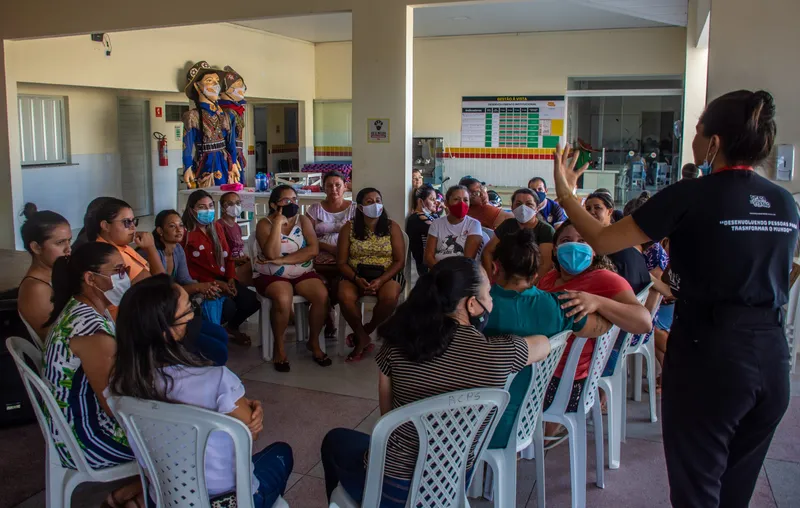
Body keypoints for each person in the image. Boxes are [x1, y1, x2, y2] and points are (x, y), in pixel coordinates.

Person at [549, 90, 799, 507]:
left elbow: (603, 237)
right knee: (734, 494)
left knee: (697, 491)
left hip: (711, 357)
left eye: (698, 131)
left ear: (714, 143)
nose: (694, 138)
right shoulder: (783, 202)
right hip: (773, 360)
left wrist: (565, 194)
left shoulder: (691, 194)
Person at [321, 256, 551, 507]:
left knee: (334, 441)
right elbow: (544, 344)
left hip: (390, 490)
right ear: (472, 304)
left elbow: (387, 419)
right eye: (489, 293)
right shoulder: (498, 353)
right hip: (449, 487)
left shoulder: (394, 346)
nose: (492, 300)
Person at [107, 275, 293, 508]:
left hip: (166, 497)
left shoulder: (121, 382)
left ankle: (138, 496)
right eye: (189, 310)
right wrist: (255, 414)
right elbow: (250, 435)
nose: (195, 316)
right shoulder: (215, 379)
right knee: (281, 453)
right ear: (167, 332)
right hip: (228, 500)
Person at [484, 229, 612, 449]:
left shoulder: (477, 308)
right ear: (535, 275)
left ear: (495, 267)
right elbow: (599, 327)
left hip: (481, 423)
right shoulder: (558, 306)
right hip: (533, 412)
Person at [42, 242, 143, 506]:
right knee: (188, 438)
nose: (125, 277)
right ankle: (134, 498)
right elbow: (114, 404)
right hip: (89, 438)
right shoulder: (90, 330)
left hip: (76, 426)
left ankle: (130, 495)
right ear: (90, 278)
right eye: (118, 270)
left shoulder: (82, 309)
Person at [537, 220, 651, 439]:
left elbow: (643, 321)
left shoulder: (603, 279)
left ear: (595, 249)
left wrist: (598, 302)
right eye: (566, 241)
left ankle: (535, 440)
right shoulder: (550, 278)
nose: (574, 246)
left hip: (565, 380)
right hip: (546, 367)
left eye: (583, 241)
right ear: (554, 248)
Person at [254, 185, 331, 371]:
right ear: (274, 204)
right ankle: (279, 348)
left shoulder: (302, 220)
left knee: (321, 295)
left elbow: (313, 249)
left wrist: (283, 260)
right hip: (271, 273)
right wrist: (278, 224)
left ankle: (313, 341)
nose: (292, 204)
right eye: (286, 200)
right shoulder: (264, 224)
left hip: (301, 271)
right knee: (283, 297)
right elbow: (271, 253)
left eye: (295, 200)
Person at [182, 190, 260, 346]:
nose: (208, 210)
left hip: (224, 278)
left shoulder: (216, 228)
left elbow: (228, 256)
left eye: (210, 206)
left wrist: (231, 278)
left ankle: (232, 327)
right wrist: (217, 284)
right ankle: (213, 334)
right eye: (202, 207)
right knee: (227, 307)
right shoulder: (186, 234)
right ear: (191, 210)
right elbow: (187, 269)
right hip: (203, 283)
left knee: (252, 301)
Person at [337, 187, 406, 362]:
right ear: (360, 207)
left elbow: (399, 261)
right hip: (355, 274)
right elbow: (342, 262)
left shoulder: (392, 227)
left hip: (386, 274)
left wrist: (381, 280)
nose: (375, 205)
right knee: (344, 295)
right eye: (369, 202)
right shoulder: (349, 228)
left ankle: (365, 331)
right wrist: (356, 279)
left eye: (378, 200)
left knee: (390, 297)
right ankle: (363, 337)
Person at [153, 209, 230, 366]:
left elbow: (185, 280)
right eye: (172, 226)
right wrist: (199, 287)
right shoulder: (151, 253)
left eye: (181, 225)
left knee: (221, 334)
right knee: (218, 351)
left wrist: (206, 287)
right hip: (162, 317)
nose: (179, 230)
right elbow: (163, 290)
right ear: (160, 231)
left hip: (177, 310)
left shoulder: (177, 250)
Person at [306, 171, 357, 338]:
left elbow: (359, 236)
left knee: (338, 283)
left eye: (338, 185)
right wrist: (327, 247)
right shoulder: (314, 209)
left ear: (345, 187)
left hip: (346, 257)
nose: (333, 189)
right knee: (320, 283)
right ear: (324, 187)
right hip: (320, 256)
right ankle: (327, 316)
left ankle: (331, 314)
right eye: (329, 185)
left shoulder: (354, 208)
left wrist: (341, 249)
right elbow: (307, 236)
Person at [18, 203, 72, 340]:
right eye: (60, 243)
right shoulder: (36, 289)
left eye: (69, 241)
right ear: (36, 247)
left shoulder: (55, 275)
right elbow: (56, 339)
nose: (68, 249)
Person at [584, 190, 650, 294]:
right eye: (588, 209)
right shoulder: (590, 239)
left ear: (610, 211)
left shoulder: (617, 240)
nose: (591, 212)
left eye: (597, 208)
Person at [88, 198, 165, 285]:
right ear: (106, 226)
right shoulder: (111, 255)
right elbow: (162, 285)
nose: (133, 227)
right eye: (126, 222)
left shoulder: (121, 245)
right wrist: (151, 248)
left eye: (133, 221)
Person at [482, 188, 555, 279]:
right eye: (518, 204)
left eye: (529, 204)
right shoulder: (507, 225)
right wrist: (489, 277)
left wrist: (530, 286)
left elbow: (545, 265)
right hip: (506, 278)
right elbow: (487, 251)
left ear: (537, 208)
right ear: (512, 207)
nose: (523, 208)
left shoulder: (546, 230)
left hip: (532, 281)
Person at [424, 185, 483, 267]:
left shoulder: (474, 225)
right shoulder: (437, 224)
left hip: (462, 274)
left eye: (465, 200)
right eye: (456, 199)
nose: (461, 203)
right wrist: (440, 272)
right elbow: (428, 257)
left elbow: (468, 261)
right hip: (438, 272)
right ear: (446, 202)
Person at [217, 191, 252, 285]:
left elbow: (238, 248)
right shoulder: (219, 226)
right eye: (230, 204)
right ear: (223, 208)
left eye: (237, 203)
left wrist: (244, 257)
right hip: (229, 269)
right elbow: (219, 256)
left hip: (239, 264)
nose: (235, 206)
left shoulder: (236, 226)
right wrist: (237, 261)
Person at [405, 184, 439, 276]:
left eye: (436, 199)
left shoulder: (429, 216)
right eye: (432, 199)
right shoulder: (417, 218)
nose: (436, 202)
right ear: (420, 201)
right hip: (428, 265)